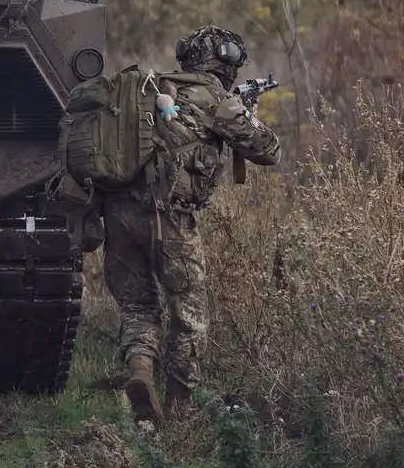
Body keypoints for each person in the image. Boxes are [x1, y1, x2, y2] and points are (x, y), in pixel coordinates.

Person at [103, 25, 281, 427]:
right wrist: (246, 113)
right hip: (169, 217)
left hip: (117, 212)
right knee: (190, 314)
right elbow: (269, 151)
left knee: (138, 306)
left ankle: (141, 373)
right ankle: (181, 411)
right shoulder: (216, 99)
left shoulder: (149, 88)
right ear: (224, 63)